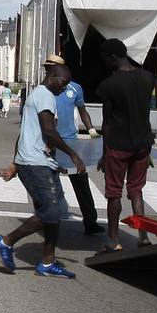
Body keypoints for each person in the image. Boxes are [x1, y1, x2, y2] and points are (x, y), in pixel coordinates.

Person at [0, 57, 85, 279]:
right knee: (50, 213)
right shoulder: (44, 96)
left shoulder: (44, 96)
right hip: (34, 165)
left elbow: (27, 134)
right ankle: (5, 241)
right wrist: (73, 155)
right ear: (52, 78)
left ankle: (47, 262)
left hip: (41, 162)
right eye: (63, 83)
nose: (64, 88)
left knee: (56, 214)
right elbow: (49, 131)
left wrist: (19, 163)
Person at [96, 38, 157, 250]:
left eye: (105, 58)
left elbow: (107, 123)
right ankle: (143, 236)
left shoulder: (109, 85)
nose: (104, 62)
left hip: (118, 145)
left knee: (114, 193)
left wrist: (104, 154)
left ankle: (113, 239)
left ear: (113, 57)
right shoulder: (148, 77)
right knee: (136, 190)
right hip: (142, 144)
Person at [52, 74, 103, 236]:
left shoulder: (74, 88)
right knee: (48, 182)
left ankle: (90, 221)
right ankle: (46, 221)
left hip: (70, 142)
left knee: (81, 181)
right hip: (50, 141)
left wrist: (92, 130)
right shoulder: (44, 89)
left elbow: (82, 111)